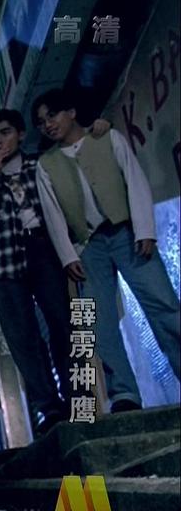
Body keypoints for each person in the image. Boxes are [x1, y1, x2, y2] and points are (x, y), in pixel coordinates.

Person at [0, 110, 112, 436]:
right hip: (4, 260)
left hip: (45, 250)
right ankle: (50, 407)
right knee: (22, 337)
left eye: (5, 132)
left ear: (21, 134)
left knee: (66, 325)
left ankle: (80, 400)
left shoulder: (39, 165)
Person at [32, 88, 181, 413]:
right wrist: (68, 256)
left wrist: (145, 229)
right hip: (88, 246)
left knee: (164, 305)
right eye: (42, 122)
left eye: (52, 115)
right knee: (99, 323)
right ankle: (124, 394)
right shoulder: (46, 164)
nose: (48, 125)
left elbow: (135, 181)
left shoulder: (107, 137)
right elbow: (52, 214)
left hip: (127, 232)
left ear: (71, 112)